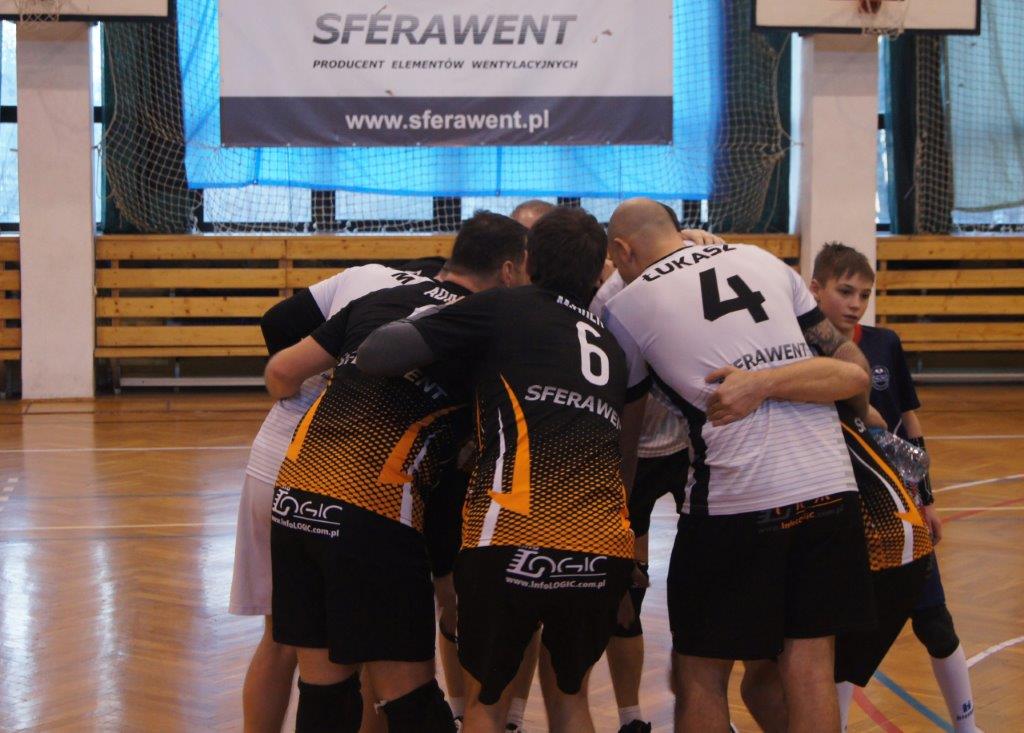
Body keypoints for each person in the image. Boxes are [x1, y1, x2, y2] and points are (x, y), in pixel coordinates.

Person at [358, 207, 641, 733]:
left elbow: (377, 353)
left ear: (528, 261)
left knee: (486, 705)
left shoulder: (504, 307)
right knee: (571, 702)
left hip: (510, 535)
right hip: (601, 545)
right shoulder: (610, 344)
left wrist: (421, 309)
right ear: (596, 273)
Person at [601, 198, 874, 733]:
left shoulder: (626, 305)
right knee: (810, 667)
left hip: (735, 499)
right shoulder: (763, 260)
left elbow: (626, 437)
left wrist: (619, 523)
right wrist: (777, 377)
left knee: (700, 670)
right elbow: (853, 369)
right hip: (830, 489)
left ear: (622, 250)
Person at [262, 212, 529, 733]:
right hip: (375, 512)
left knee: (324, 693)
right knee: (410, 700)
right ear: (508, 270)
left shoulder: (380, 297)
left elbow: (280, 372)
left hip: (294, 501)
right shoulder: (490, 329)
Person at [230, 261, 432, 732]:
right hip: (342, 468)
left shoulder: (368, 274)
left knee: (280, 638)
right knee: (366, 642)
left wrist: (315, 375)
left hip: (274, 456)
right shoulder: (446, 308)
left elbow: (277, 321)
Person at [811, 242, 983, 733]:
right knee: (845, 635)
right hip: (840, 513)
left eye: (864, 295)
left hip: (899, 511)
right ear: (815, 289)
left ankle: (967, 725)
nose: (855, 304)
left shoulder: (885, 343)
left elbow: (910, 425)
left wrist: (926, 499)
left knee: (935, 621)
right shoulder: (800, 352)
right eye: (845, 291)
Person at [589, 207, 724, 733]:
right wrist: (618, 501)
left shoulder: (702, 265)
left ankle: (702, 702)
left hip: (691, 448)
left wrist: (709, 248)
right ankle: (631, 717)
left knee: (704, 586)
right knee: (625, 595)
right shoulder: (611, 301)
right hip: (630, 454)